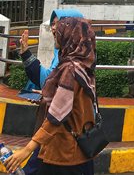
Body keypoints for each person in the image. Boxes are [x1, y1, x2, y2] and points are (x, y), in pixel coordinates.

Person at [6, 16, 97, 175]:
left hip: (64, 153)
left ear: (70, 35)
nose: (55, 31)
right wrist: (47, 98)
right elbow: (73, 101)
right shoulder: (83, 64)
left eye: (60, 30)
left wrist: (27, 150)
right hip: (79, 150)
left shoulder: (70, 69)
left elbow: (57, 114)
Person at [18, 9, 84, 175]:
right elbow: (49, 83)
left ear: (72, 27)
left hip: (67, 141)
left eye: (58, 23)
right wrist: (26, 53)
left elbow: (60, 110)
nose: (53, 28)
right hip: (59, 140)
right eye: (52, 24)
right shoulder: (64, 56)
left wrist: (28, 148)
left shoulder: (74, 65)